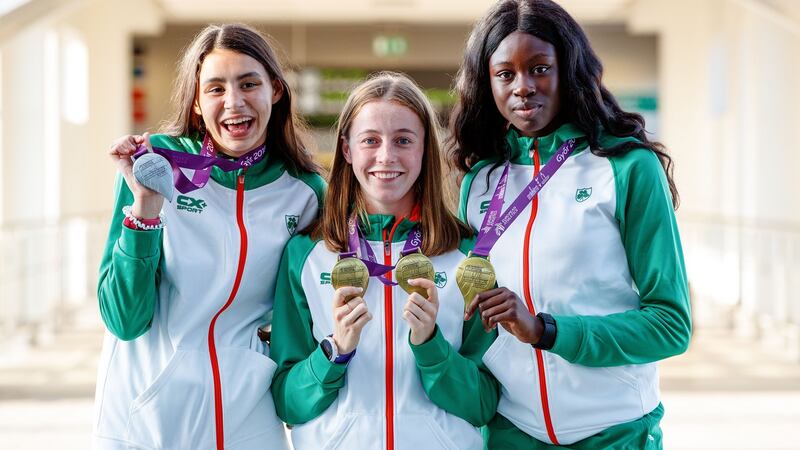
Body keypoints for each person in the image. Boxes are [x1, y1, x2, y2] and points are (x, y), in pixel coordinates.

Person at [449, 1, 692, 448]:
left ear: (570, 70)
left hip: (614, 431)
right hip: (511, 431)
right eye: (505, 74)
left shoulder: (624, 167)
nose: (522, 87)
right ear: (487, 84)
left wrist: (546, 330)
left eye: (539, 68)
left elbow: (670, 324)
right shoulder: (480, 181)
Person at [95, 23, 324, 450]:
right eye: (215, 89)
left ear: (275, 90)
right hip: (147, 412)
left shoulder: (305, 191)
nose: (233, 103)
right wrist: (146, 206)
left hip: (249, 413)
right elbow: (124, 320)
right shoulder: (156, 165)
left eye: (248, 83)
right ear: (197, 104)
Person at [270, 72, 498, 450]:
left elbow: (484, 404)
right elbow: (288, 403)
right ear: (347, 150)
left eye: (403, 140)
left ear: (426, 149)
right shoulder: (305, 254)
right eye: (370, 140)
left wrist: (430, 345)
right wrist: (335, 351)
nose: (386, 156)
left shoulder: (468, 255)